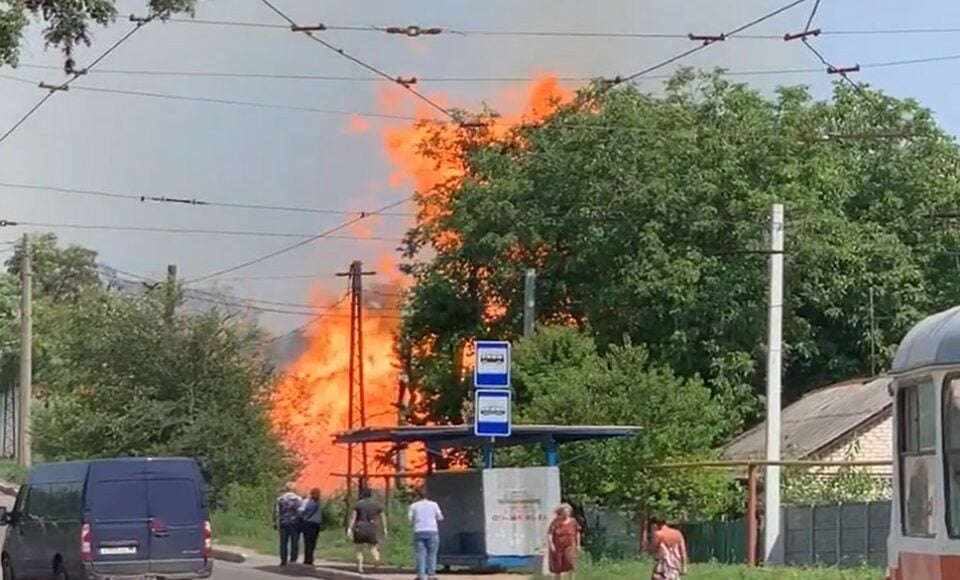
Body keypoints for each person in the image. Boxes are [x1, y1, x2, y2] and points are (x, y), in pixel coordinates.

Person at [346, 485, 387, 574]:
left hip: (360, 527)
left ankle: (360, 568)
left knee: (359, 549)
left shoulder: (358, 504)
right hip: (371, 528)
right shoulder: (377, 504)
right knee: (373, 549)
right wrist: (384, 528)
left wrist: (349, 528)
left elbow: (353, 517)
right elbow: (383, 516)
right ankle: (376, 563)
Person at [408, 487, 444, 580]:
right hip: (432, 531)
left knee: (420, 554)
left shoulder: (413, 506)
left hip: (419, 531)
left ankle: (421, 575)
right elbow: (440, 517)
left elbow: (410, 519)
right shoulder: (434, 504)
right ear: (427, 495)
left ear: (417, 496)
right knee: (432, 554)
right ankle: (431, 575)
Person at [273, 482, 304, 566]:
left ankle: (283, 559)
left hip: (283, 522)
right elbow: (301, 512)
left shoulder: (280, 499)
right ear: (294, 489)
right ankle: (293, 559)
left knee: (283, 542)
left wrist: (275, 522)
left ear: (286, 489)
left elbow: (276, 512)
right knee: (295, 542)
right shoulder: (299, 499)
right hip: (295, 523)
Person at [547, 503, 581, 580]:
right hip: (558, 547)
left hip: (570, 545)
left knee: (570, 563)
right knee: (558, 566)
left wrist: (578, 544)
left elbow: (577, 532)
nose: (567, 513)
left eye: (568, 511)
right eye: (565, 511)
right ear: (561, 512)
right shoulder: (555, 522)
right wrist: (551, 544)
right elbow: (550, 533)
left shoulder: (573, 521)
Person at [298, 488, 324, 566]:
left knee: (307, 542)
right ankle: (311, 557)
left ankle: (307, 559)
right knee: (313, 542)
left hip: (308, 523)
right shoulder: (319, 503)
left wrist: (301, 515)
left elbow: (305, 511)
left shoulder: (309, 502)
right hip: (317, 524)